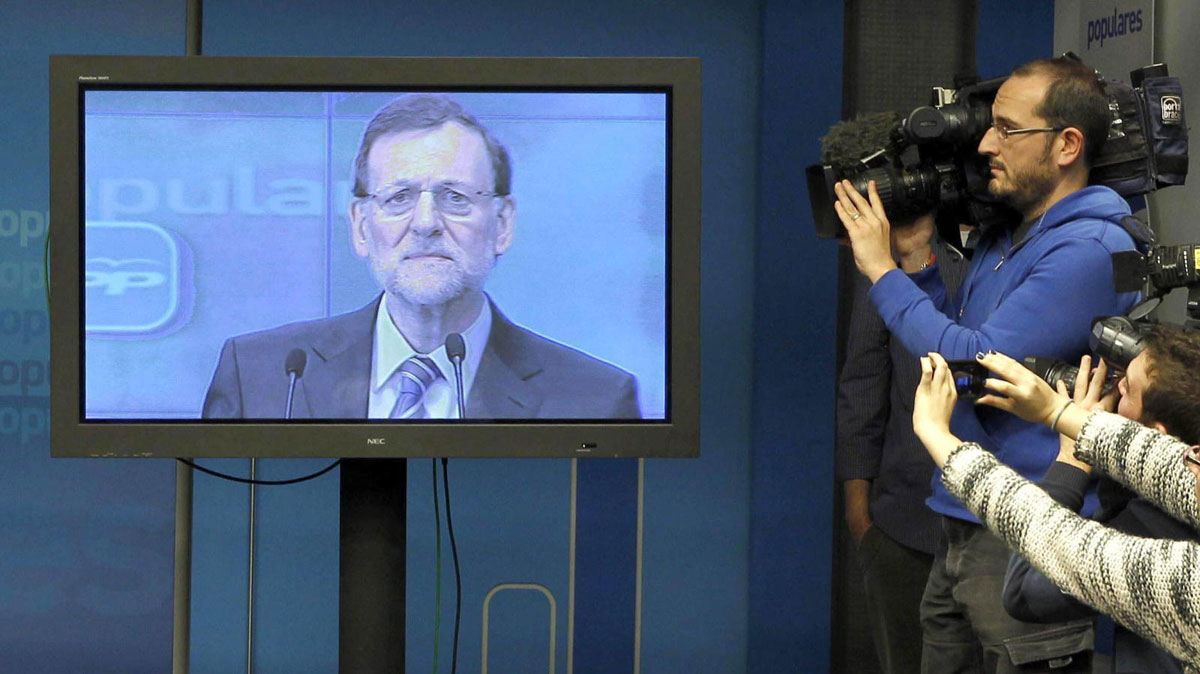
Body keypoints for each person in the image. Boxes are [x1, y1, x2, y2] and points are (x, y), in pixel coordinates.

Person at [834, 56, 1141, 672]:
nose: (984, 144)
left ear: (1066, 145)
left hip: (1029, 530)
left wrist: (880, 270)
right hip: (960, 515)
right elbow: (955, 337)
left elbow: (972, 367)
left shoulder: (1090, 249)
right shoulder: (1007, 237)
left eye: (1007, 129)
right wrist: (918, 262)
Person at [202, 94, 640, 420]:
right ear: (360, 226)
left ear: (502, 223)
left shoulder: (595, 399)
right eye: (399, 198)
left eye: (455, 196)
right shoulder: (260, 376)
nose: (426, 222)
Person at [912, 349, 1200, 671]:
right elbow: (1161, 460)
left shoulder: (1183, 579)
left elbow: (1045, 547)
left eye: (1126, 389)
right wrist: (1055, 410)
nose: (1113, 389)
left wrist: (935, 433)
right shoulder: (1185, 472)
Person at [828, 113, 968, 674]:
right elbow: (862, 383)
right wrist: (860, 507)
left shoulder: (1009, 259)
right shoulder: (883, 275)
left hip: (1006, 526)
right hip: (902, 522)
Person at [1004, 326, 1200, 673]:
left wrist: (1073, 455)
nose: (1110, 393)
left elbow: (1024, 591)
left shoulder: (1147, 531)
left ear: (1156, 435)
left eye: (1125, 390)